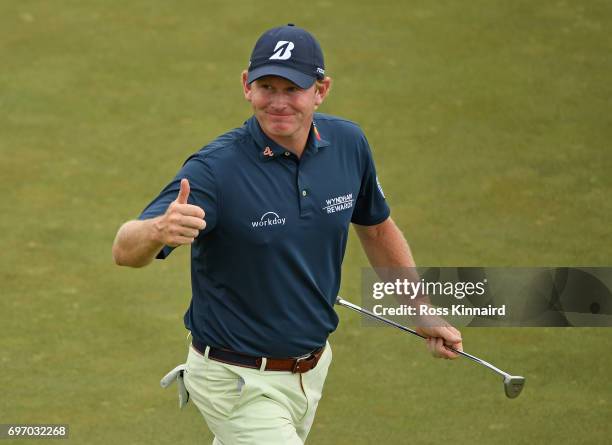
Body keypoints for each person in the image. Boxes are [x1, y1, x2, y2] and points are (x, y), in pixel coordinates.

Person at [112, 24, 463, 444]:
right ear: (246, 86)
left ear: (321, 90)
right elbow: (124, 249)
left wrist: (420, 310)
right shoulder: (215, 170)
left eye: (292, 88)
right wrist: (157, 229)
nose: (278, 102)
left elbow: (376, 227)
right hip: (234, 380)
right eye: (266, 86)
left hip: (311, 371)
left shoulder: (349, 144)